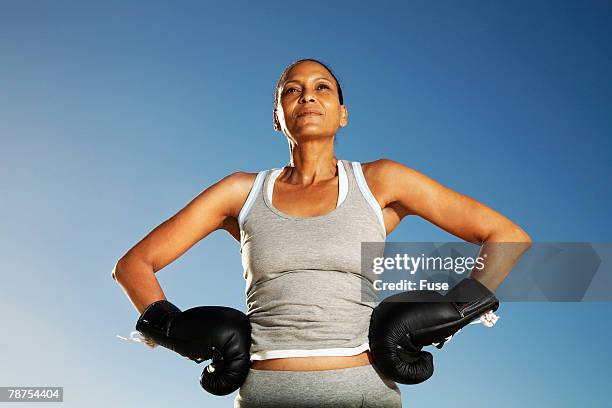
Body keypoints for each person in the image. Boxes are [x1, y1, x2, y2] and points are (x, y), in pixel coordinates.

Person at [113, 58, 531, 407]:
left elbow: (506, 236)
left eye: (322, 87)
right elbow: (133, 265)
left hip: (364, 394)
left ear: (343, 113)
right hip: (265, 397)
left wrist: (457, 309)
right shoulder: (240, 192)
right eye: (291, 90)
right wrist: (171, 328)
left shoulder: (381, 181)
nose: (307, 96)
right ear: (277, 117)